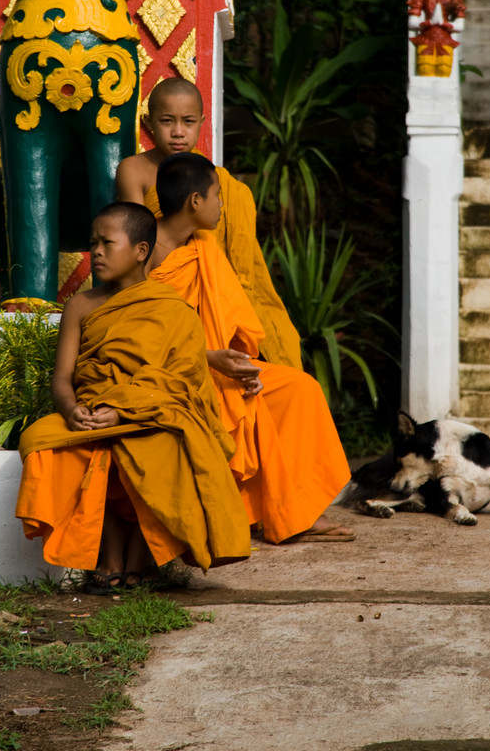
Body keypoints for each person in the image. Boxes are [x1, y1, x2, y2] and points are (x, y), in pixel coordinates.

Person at [15, 201, 251, 591]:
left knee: (159, 449)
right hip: (90, 413)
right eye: (93, 243)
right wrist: (71, 408)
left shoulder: (174, 309)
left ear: (141, 251)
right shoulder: (81, 305)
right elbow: (62, 377)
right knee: (40, 442)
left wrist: (124, 414)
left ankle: (143, 555)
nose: (97, 252)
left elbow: (183, 389)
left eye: (107, 242)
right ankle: (108, 553)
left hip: (152, 416)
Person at [145, 152, 356, 545]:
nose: (222, 206)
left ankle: (296, 510)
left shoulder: (203, 247)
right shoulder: (142, 250)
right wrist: (209, 360)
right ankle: (254, 512)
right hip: (170, 371)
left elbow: (228, 319)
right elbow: (136, 336)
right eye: (217, 197)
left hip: (217, 363)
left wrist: (239, 362)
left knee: (299, 388)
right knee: (243, 404)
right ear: (195, 202)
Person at [116, 77, 302, 369]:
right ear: (148, 122)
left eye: (188, 122)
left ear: (202, 122)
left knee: (279, 344)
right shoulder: (134, 170)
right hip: (162, 289)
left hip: (212, 290)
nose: (178, 132)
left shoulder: (214, 181)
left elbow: (233, 258)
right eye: (167, 121)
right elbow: (137, 243)